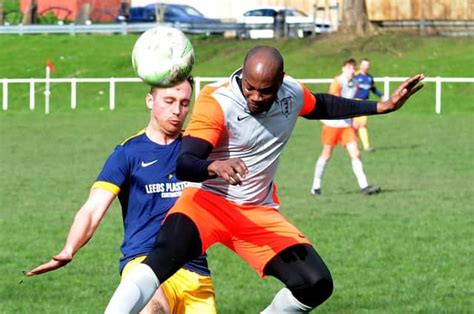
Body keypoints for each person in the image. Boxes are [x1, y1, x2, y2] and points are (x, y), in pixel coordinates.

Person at [105, 46, 424, 313]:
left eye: (265, 90)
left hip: (256, 211)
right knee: (158, 261)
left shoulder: (291, 93)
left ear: (281, 82)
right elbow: (185, 163)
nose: (255, 96)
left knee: (315, 284)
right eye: (249, 87)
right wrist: (214, 167)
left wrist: (382, 106)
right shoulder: (217, 101)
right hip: (206, 204)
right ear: (241, 77)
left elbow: (320, 104)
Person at [26, 77, 216, 314]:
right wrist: (69, 248)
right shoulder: (128, 153)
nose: (177, 110)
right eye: (169, 101)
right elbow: (93, 208)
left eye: (185, 103)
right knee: (151, 310)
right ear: (150, 100)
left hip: (196, 272)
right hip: (145, 261)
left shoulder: (197, 151)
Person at [311, 58, 381, 196]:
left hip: (346, 125)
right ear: (343, 68)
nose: (350, 71)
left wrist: (355, 118)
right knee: (326, 154)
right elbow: (336, 103)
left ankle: (364, 186)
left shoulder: (355, 83)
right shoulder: (337, 82)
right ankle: (316, 186)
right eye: (348, 68)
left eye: (352, 68)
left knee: (356, 153)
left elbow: (352, 103)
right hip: (332, 124)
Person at [353, 58, 384, 152]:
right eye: (364, 64)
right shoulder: (354, 76)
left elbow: (373, 89)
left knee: (362, 124)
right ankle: (354, 145)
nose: (366, 67)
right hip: (353, 102)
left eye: (367, 65)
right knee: (354, 125)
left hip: (364, 103)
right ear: (360, 65)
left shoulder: (369, 78)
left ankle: (366, 146)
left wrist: (381, 95)